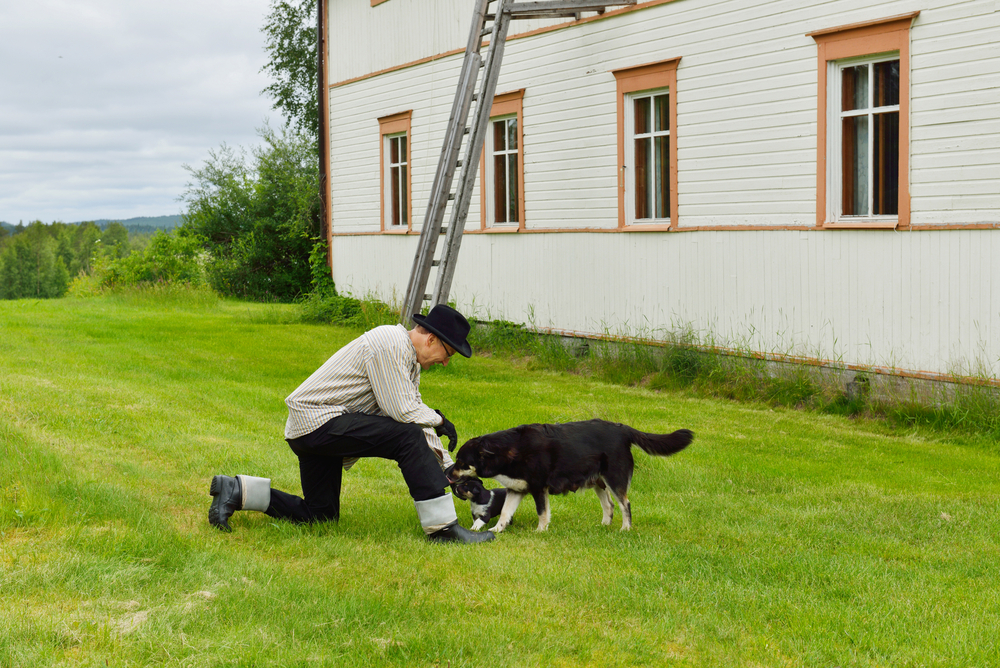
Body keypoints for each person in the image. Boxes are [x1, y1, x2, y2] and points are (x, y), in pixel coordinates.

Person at [208, 304, 494, 544]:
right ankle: (443, 528)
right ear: (431, 339)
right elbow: (403, 412)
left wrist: (448, 466)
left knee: (320, 515)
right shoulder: (389, 343)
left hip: (314, 432)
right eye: (449, 353)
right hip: (318, 423)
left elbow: (413, 412)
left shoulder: (409, 361)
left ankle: (235, 490)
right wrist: (441, 420)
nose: (445, 362)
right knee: (405, 436)